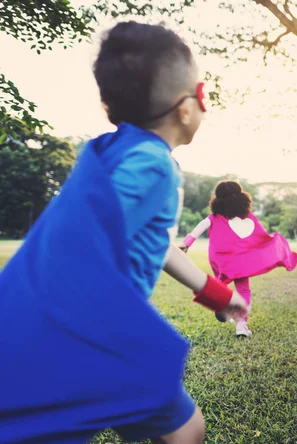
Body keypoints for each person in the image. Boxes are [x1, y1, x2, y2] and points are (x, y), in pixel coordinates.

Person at [0, 21, 247, 443]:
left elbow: (160, 247)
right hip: (101, 334)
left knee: (185, 429)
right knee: (186, 432)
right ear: (186, 107)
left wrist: (218, 295)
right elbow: (81, 233)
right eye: (204, 93)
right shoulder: (150, 164)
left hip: (107, 330)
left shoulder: (121, 150)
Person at [180, 180, 297, 337]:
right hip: (242, 260)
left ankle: (220, 305)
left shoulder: (214, 217)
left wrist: (186, 244)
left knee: (220, 283)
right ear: (242, 197)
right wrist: (272, 243)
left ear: (217, 199)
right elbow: (260, 235)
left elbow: (200, 227)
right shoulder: (248, 217)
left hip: (220, 258)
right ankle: (241, 325)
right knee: (243, 288)